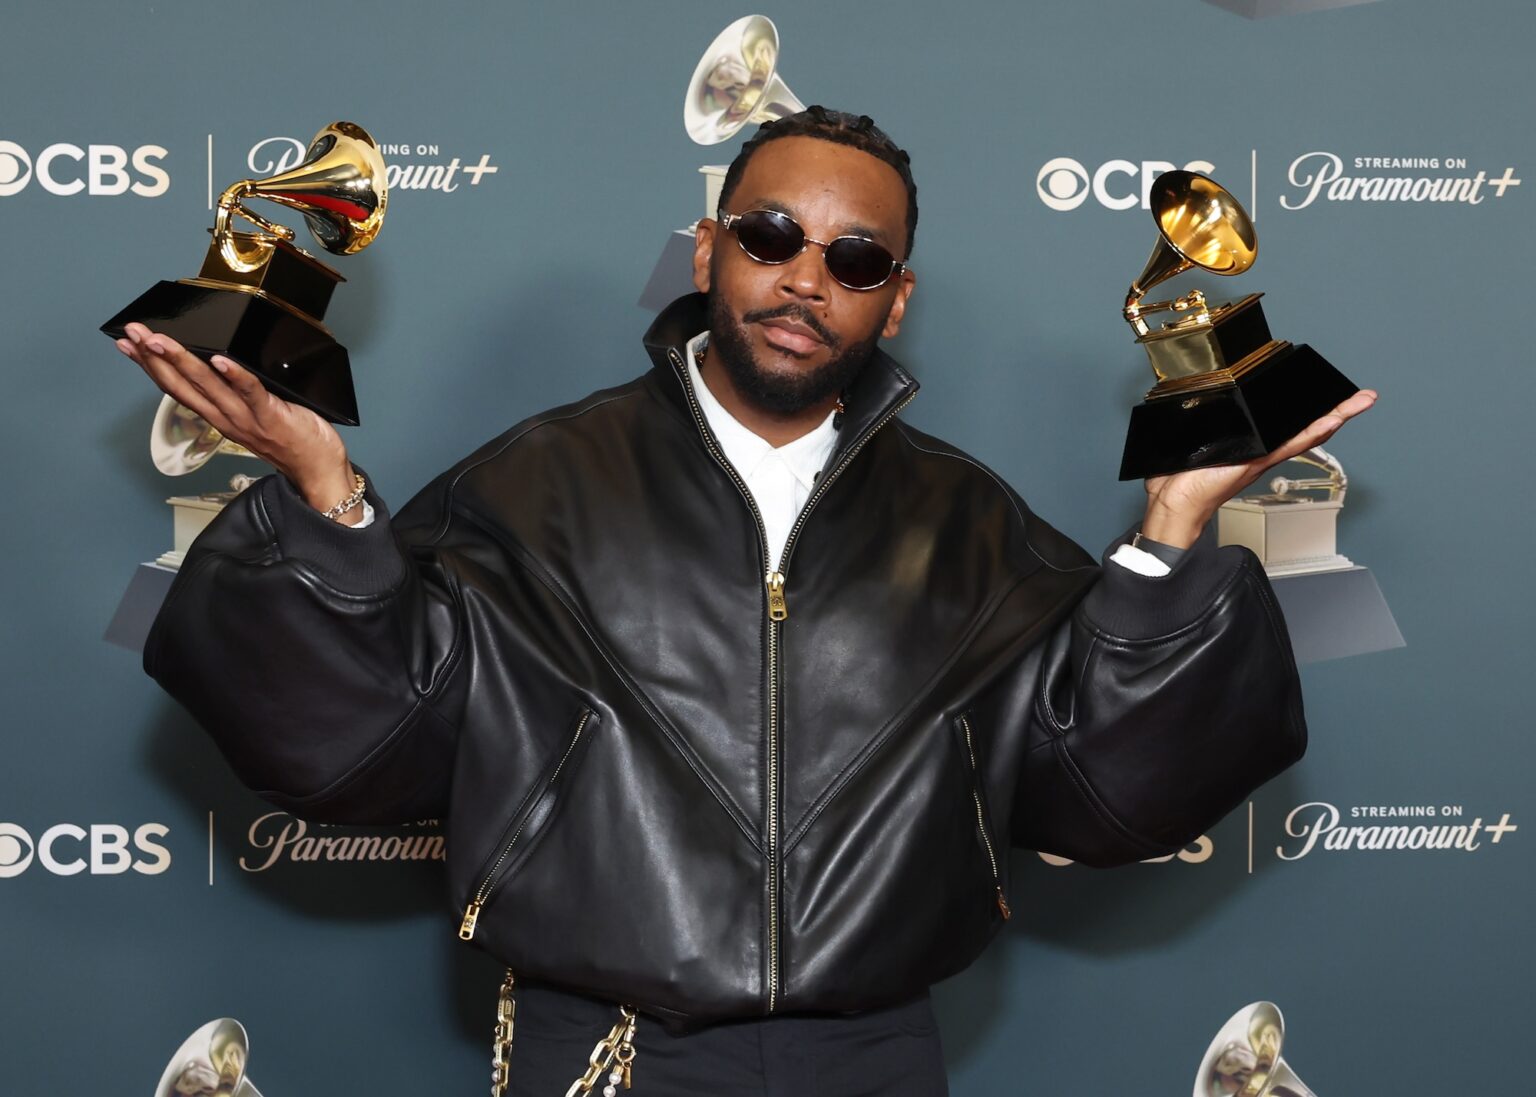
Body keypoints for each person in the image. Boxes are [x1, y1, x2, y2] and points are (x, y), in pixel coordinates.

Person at [116, 107, 1375, 1096]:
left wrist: (1171, 532)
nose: (804, 277)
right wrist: (330, 499)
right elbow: (363, 750)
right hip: (603, 1053)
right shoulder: (531, 484)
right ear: (710, 246)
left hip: (876, 1056)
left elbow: (1100, 793)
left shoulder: (972, 527)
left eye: (856, 256)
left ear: (896, 295)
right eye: (770, 235)